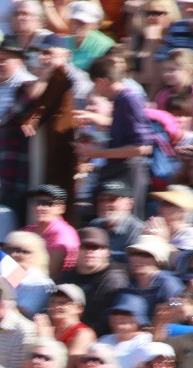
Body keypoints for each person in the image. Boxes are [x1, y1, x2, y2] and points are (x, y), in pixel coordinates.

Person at [77, 57, 153, 219]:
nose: (96, 90)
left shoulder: (129, 100)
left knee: (126, 221)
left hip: (129, 173)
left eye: (95, 84)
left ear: (101, 81)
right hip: (119, 170)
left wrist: (96, 154)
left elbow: (142, 148)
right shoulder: (121, 101)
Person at [59, 226, 130, 337]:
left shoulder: (114, 278)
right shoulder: (67, 276)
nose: (90, 251)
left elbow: (105, 323)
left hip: (100, 340)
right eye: (85, 247)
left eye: (96, 247)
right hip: (67, 334)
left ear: (107, 252)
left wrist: (79, 336)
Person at [88, 178, 145, 263]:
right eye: (101, 200)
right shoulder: (95, 225)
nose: (105, 204)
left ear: (129, 203)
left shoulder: (139, 230)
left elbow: (133, 264)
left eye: (112, 199)